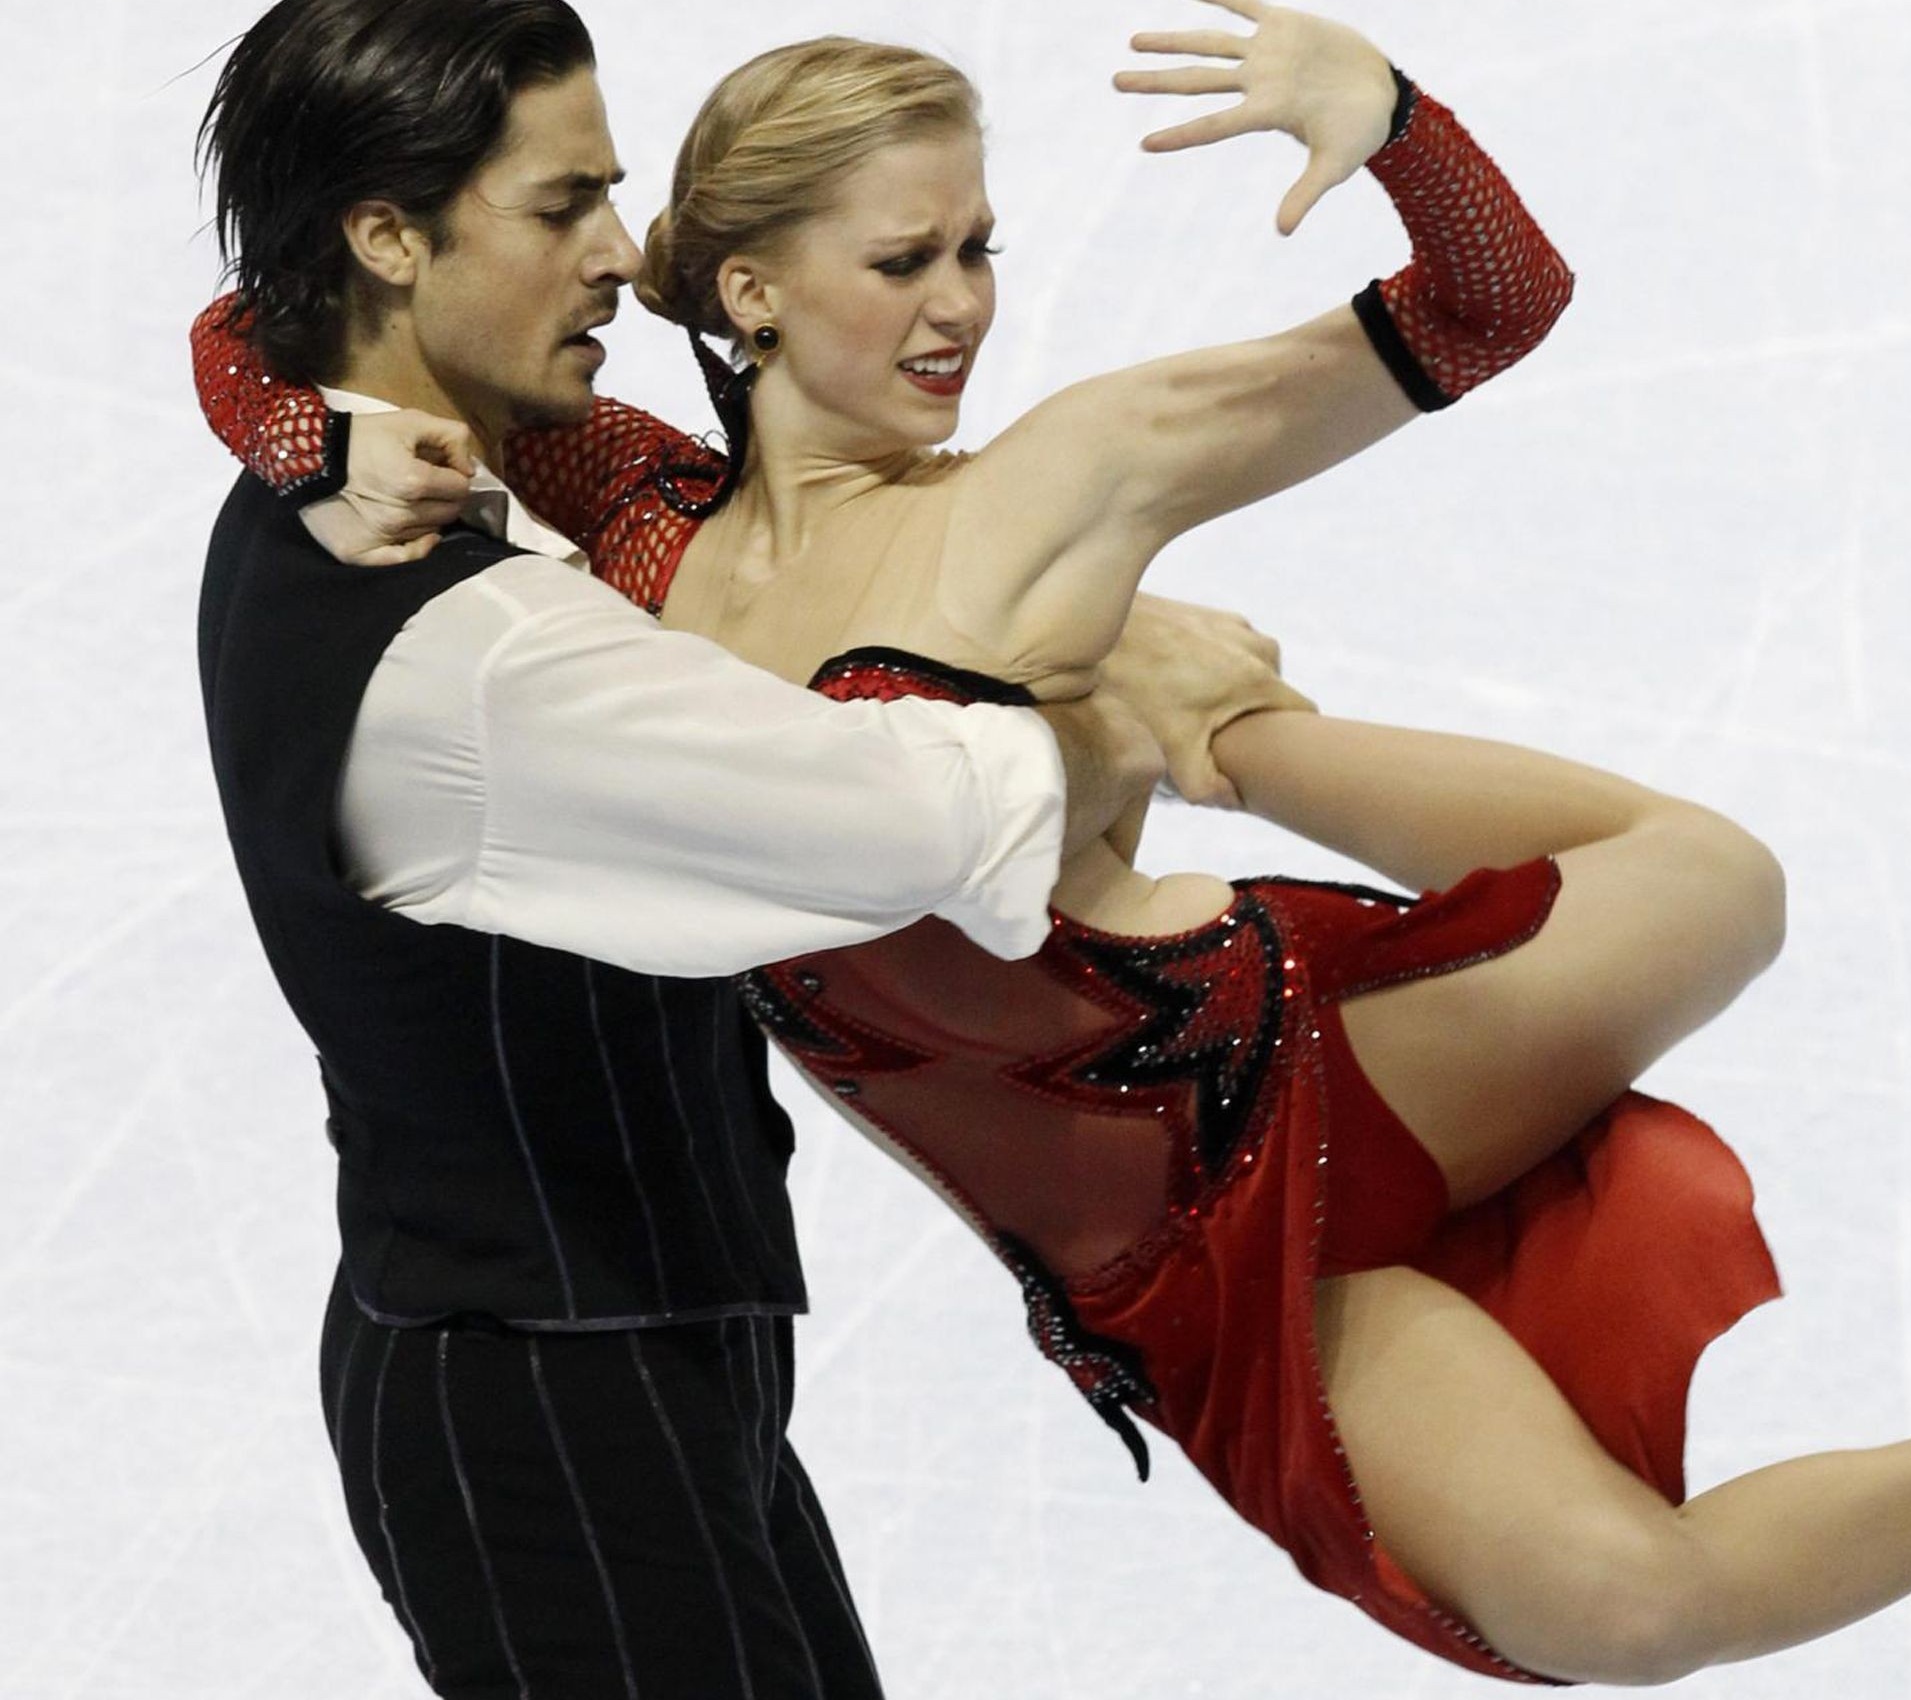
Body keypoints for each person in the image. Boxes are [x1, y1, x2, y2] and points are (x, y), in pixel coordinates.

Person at [199, 0, 1911, 1684]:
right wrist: (295, 429)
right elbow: (278, 312)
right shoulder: (620, 516)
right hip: (1139, 1260)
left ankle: (1253, 736)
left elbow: (1484, 303)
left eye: (978, 247)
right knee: (1618, 1605)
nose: (964, 305)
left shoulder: (1067, 468)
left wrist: (1387, 126)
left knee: (1718, 883)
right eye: (903, 258)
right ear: (745, 287)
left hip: (1252, 1064)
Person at [189, 2, 1300, 1696]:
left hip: (614, 1355)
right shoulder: (478, 655)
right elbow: (916, 819)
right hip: (553, 1396)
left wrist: (287, 420)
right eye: (562, 207)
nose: (623, 259)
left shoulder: (362, 488)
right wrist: (1103, 692)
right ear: (388, 235)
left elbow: (243, 326)